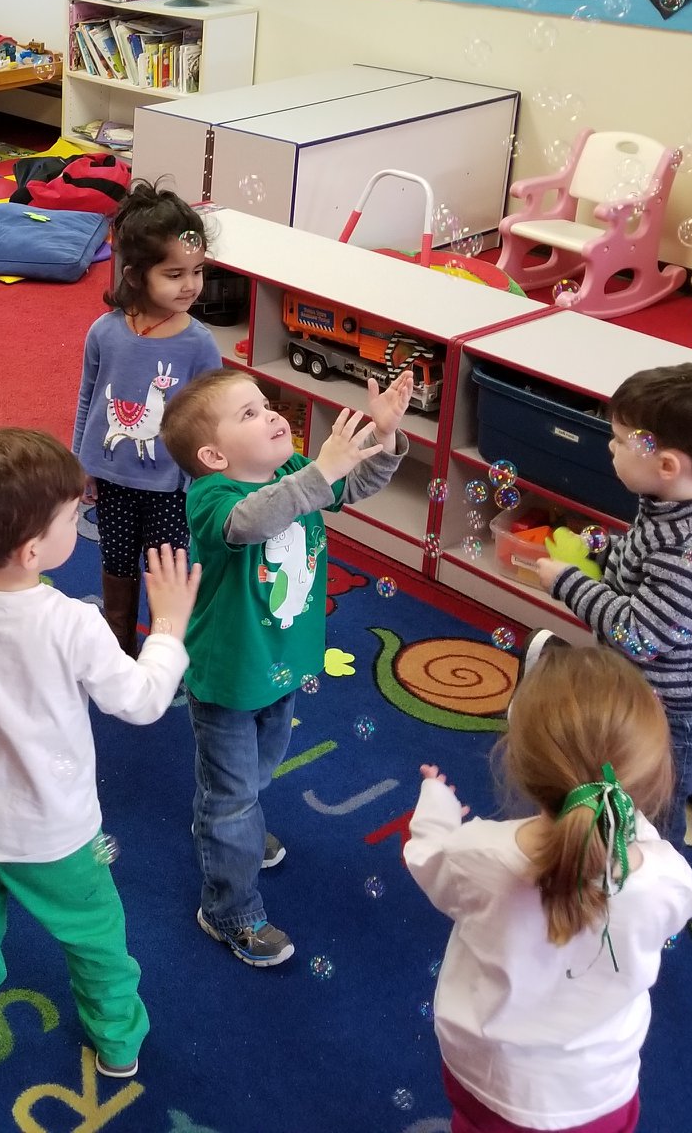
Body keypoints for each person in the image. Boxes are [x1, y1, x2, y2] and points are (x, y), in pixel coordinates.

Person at [0, 428, 196, 1083]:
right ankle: (117, 1045)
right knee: (96, 936)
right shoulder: (70, 622)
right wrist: (166, 628)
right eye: (73, 517)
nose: (80, 523)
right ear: (31, 550)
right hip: (57, 835)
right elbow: (140, 702)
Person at [160, 366, 414, 966]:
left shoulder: (293, 471)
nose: (273, 415)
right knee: (232, 794)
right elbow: (253, 523)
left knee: (260, 770)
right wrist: (322, 471)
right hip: (228, 675)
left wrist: (384, 437)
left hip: (280, 662)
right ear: (213, 454)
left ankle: (233, 827)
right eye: (248, 414)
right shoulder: (211, 499)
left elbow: (349, 489)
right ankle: (229, 910)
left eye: (266, 404)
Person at [405, 645, 692, 1133]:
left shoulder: (478, 853)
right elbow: (680, 901)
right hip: (595, 1094)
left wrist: (435, 806)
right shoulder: (665, 878)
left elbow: (426, 858)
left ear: (518, 760)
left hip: (486, 1078)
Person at [531, 363, 692, 847]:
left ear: (667, 465)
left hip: (670, 716)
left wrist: (568, 583)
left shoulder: (689, 549)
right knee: (623, 796)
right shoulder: (678, 502)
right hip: (646, 697)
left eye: (618, 441)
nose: (610, 447)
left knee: (651, 820)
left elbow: (641, 635)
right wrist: (605, 550)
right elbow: (644, 563)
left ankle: (651, 892)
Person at [72, 182, 223, 655]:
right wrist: (81, 461)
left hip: (172, 486)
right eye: (174, 273)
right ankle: (118, 649)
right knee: (115, 563)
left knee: (166, 574)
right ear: (136, 275)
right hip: (113, 478)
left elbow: (210, 417)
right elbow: (88, 398)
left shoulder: (199, 344)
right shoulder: (105, 332)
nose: (191, 285)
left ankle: (163, 655)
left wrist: (207, 478)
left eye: (197, 271)